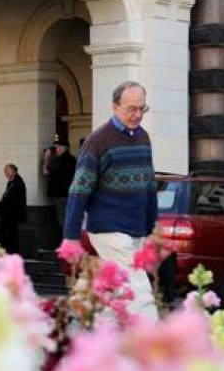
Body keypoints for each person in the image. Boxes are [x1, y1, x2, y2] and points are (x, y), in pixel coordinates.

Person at [63, 80, 158, 321]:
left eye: (142, 109)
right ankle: (154, 342)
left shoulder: (143, 137)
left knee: (114, 289)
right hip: (108, 229)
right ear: (115, 106)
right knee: (139, 288)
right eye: (131, 109)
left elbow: (149, 186)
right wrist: (70, 236)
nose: (137, 115)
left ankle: (101, 338)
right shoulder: (98, 141)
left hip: (136, 229)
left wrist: (150, 228)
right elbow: (79, 190)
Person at [0, 163, 27, 255]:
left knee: (2, 236)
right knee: (10, 237)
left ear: (14, 171)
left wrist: (0, 205)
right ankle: (12, 254)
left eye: (8, 171)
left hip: (11, 215)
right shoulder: (11, 182)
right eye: (5, 171)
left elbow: (11, 200)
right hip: (8, 215)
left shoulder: (17, 183)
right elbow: (7, 198)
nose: (6, 173)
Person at [43, 139, 76, 241]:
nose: (55, 150)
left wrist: (46, 158)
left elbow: (45, 171)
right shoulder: (71, 159)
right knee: (66, 220)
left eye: (57, 147)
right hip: (67, 193)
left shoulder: (62, 160)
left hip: (61, 194)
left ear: (63, 148)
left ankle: (66, 244)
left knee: (63, 220)